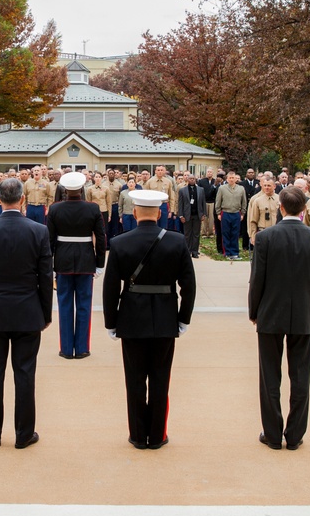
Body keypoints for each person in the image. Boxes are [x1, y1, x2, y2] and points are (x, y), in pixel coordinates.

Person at [103, 190, 196, 450]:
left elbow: (110, 288)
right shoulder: (177, 242)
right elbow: (188, 285)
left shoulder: (120, 243)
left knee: (134, 380)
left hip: (131, 319)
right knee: (160, 379)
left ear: (134, 213)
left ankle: (137, 435)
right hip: (166, 318)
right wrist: (183, 318)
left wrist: (111, 322)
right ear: (159, 213)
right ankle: (156, 436)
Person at [0, 178, 53, 449]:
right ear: (23, 199)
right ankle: (24, 434)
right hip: (28, 311)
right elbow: (45, 276)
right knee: (25, 373)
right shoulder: (39, 231)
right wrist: (46, 313)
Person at [249, 186, 310, 451]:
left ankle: (272, 433)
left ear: (281, 208)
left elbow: (257, 279)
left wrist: (254, 311)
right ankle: (294, 434)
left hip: (271, 313)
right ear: (304, 210)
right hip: (305, 314)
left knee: (270, 376)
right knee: (301, 375)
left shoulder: (265, 237)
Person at [46, 172, 106, 360]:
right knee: (84, 305)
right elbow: (101, 238)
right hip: (86, 260)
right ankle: (81, 349)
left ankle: (65, 349)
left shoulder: (55, 209)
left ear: (64, 190)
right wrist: (100, 264)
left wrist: (49, 263)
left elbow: (49, 240)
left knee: (64, 305)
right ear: (82, 189)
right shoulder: (93, 209)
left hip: (62, 261)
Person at [214, 173, 246, 259]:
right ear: (227, 179)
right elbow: (218, 201)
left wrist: (242, 213)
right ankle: (227, 252)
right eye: (230, 178)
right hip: (225, 212)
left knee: (235, 234)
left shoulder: (241, 189)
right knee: (226, 233)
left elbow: (244, 202)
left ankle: (235, 252)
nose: (231, 179)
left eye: (233, 178)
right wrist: (218, 213)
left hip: (236, 213)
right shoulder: (222, 188)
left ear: (236, 179)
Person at [177, 176, 206, 258]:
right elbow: (180, 204)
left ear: (195, 180)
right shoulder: (183, 190)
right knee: (187, 234)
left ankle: (195, 251)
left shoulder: (201, 190)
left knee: (196, 234)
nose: (192, 180)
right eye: (190, 178)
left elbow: (203, 202)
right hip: (187, 215)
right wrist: (181, 215)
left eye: (193, 178)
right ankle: (187, 251)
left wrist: (203, 214)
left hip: (197, 215)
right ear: (187, 180)